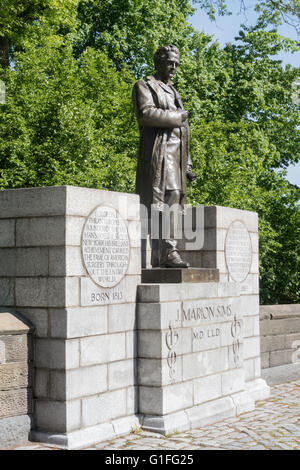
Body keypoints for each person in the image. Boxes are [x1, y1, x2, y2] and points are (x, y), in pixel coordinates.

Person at [132, 45, 196, 268]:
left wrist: (187, 163)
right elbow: (146, 113)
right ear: (158, 61)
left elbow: (184, 132)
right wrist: (177, 116)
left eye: (177, 63)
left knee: (175, 200)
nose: (174, 67)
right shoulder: (145, 85)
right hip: (159, 152)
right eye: (170, 62)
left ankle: (163, 254)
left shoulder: (174, 91)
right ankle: (168, 251)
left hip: (177, 155)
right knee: (169, 197)